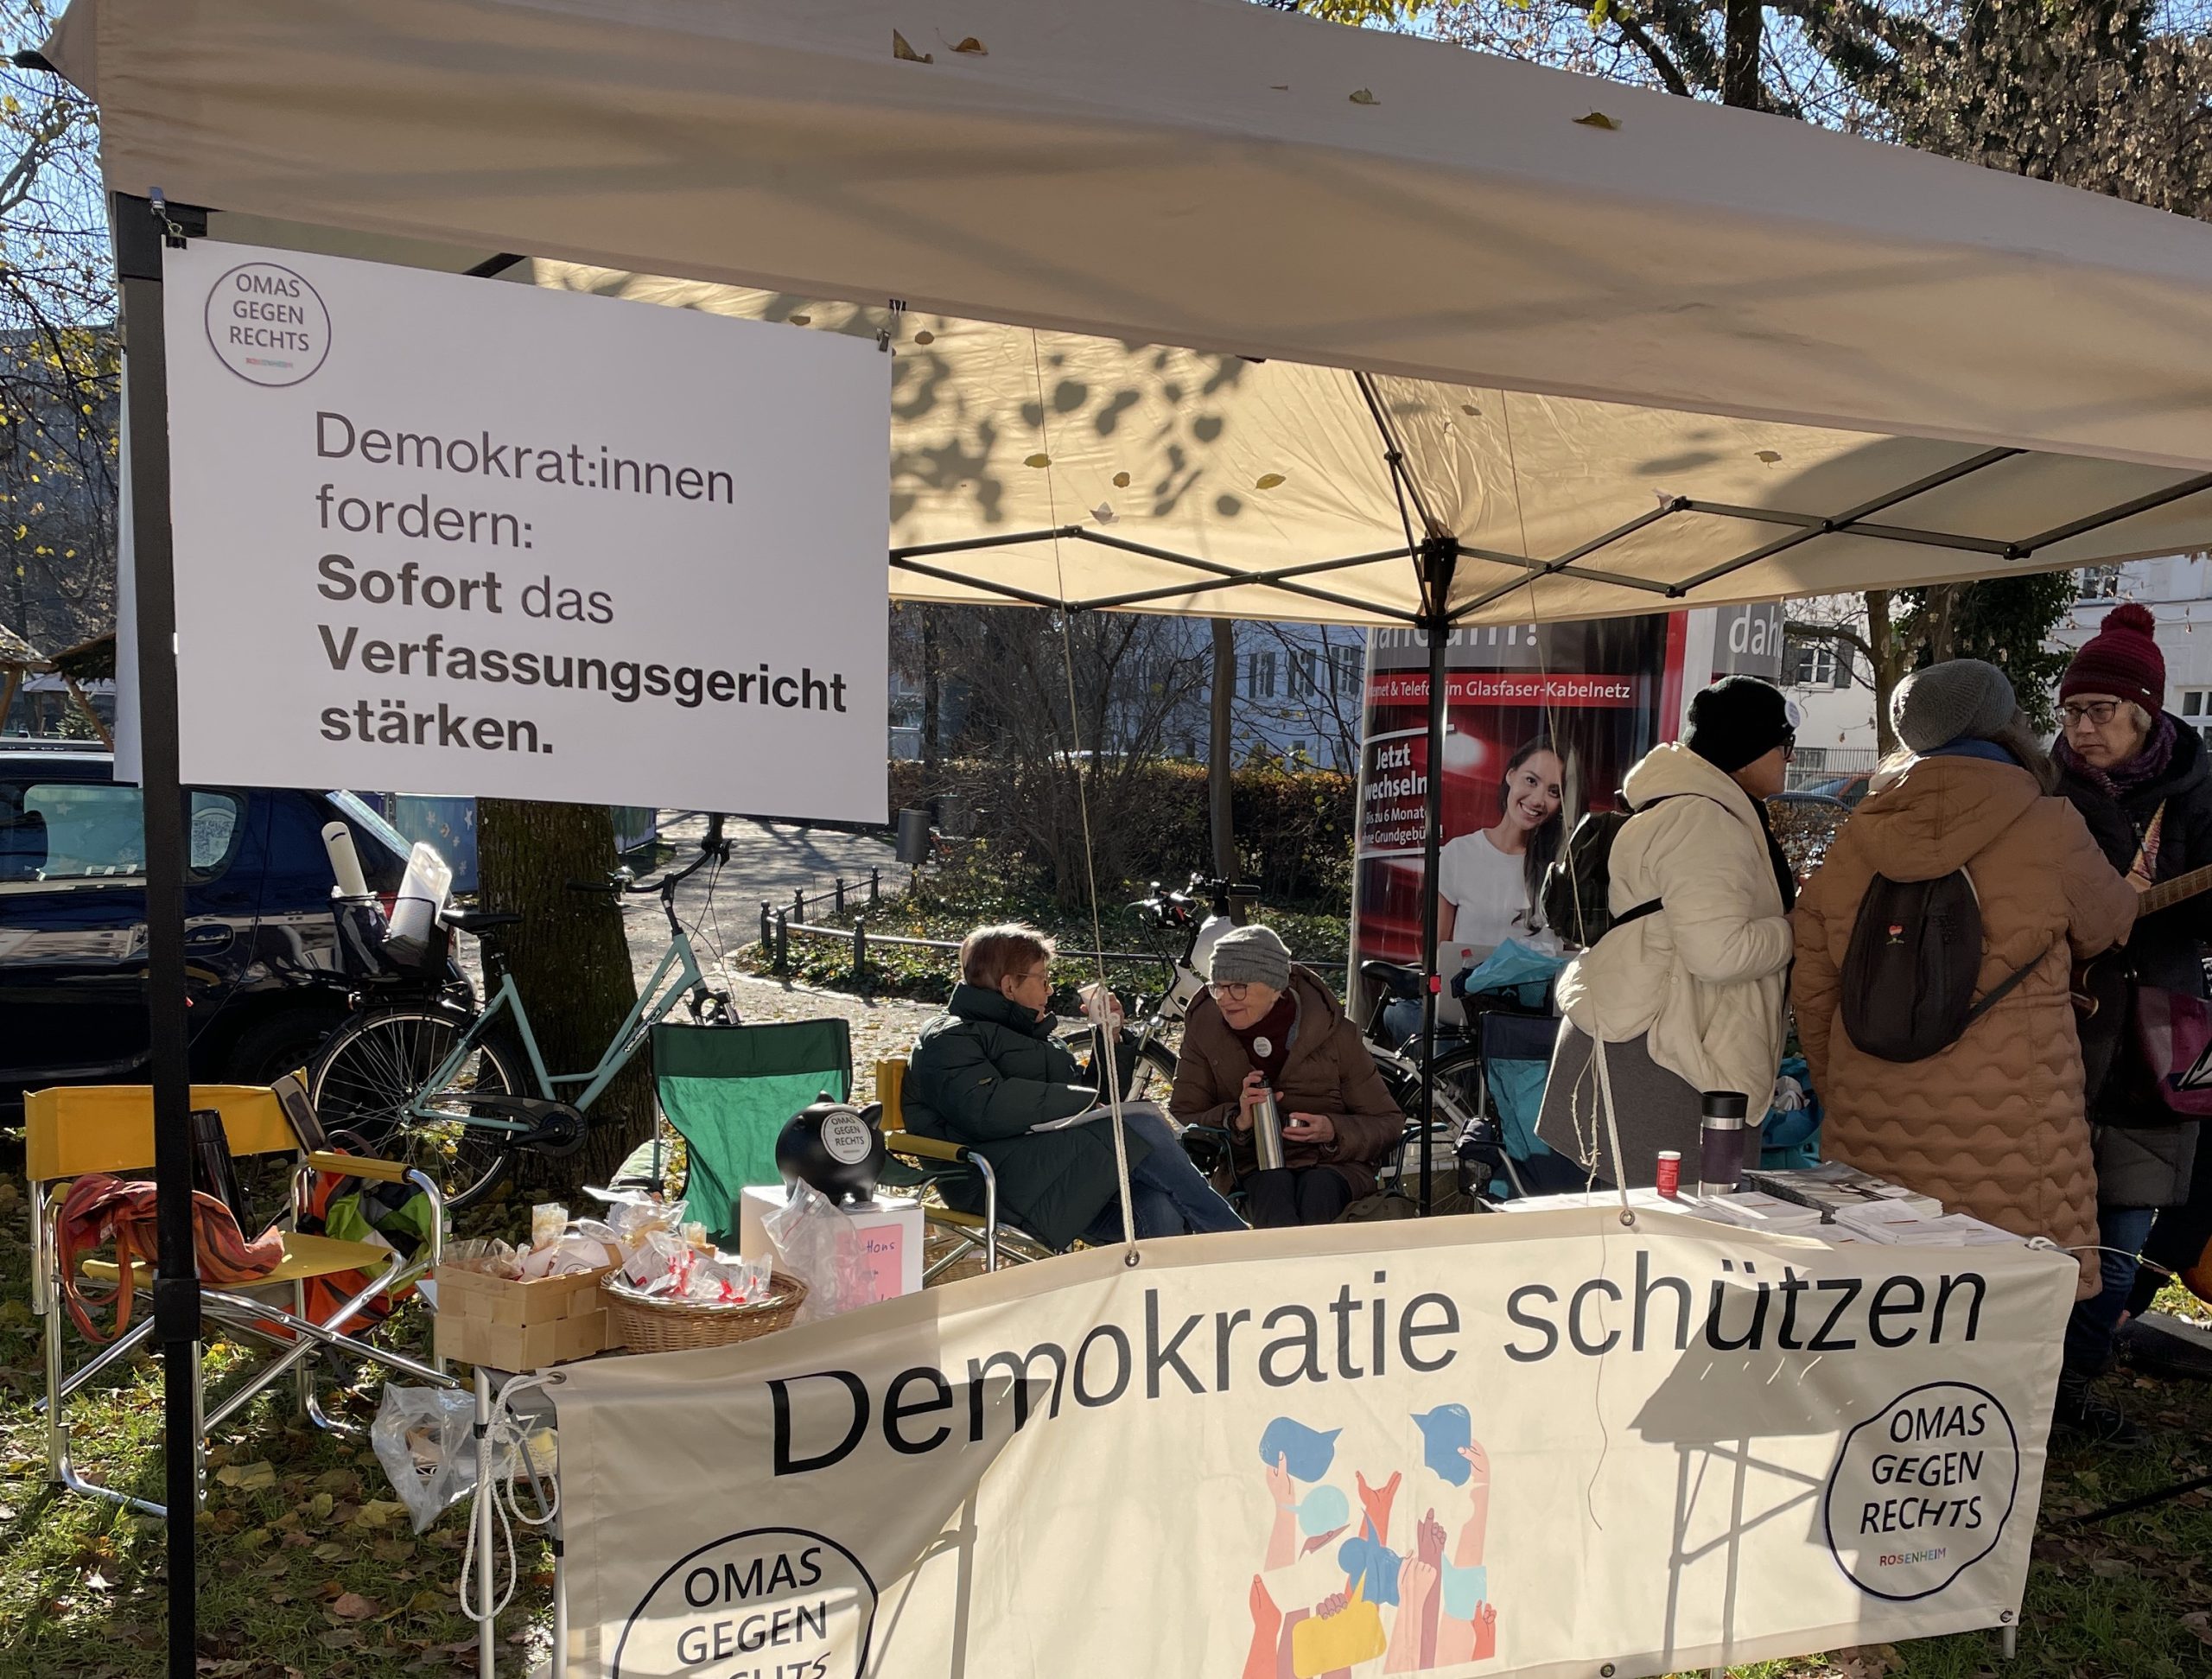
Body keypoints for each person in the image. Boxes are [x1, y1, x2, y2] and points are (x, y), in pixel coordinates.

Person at [1792, 661, 2138, 1434]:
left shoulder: (1855, 833)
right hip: (2017, 1125)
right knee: (2005, 1303)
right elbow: (2111, 922)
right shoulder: (2048, 823)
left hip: (1874, 1115)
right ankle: (1983, 1457)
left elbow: (1811, 985)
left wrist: (1840, 1081)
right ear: (2001, 722)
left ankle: (1884, 1442)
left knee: (1892, 1301)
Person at [1535, 677, 1796, 1187]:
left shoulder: (1693, 806)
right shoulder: (1704, 819)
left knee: (1631, 1237)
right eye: (1782, 742)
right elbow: (1718, 954)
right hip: (1662, 1059)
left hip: (1651, 1041)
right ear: (1746, 746)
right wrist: (1793, 929)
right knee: (1664, 1240)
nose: (1788, 755)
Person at [2051, 604, 2212, 1431]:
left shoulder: (2197, 789)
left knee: (2116, 1256)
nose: (2080, 729)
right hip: (2056, 1037)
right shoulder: (2043, 791)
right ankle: (2026, 1386)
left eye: (2099, 711)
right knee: (2040, 1243)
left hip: (2155, 1044)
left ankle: (2073, 1384)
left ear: (2145, 711)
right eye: (2071, 711)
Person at [901, 923, 1243, 1250]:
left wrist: (1108, 1042)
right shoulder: (949, 1036)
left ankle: (1159, 1302)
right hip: (990, 1184)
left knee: (1156, 1208)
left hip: (1053, 1181)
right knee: (1139, 1127)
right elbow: (985, 1108)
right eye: (1043, 979)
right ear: (1009, 987)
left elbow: (1094, 1109)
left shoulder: (1041, 1040)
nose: (1050, 990)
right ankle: (1235, 1241)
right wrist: (1080, 1102)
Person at [1171, 925, 1405, 1226]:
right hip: (1250, 1166)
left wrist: (1333, 1130)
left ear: (1275, 987)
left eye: (1239, 987)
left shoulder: (1334, 1033)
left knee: (1318, 1191)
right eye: (1218, 987)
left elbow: (1387, 1122)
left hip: (1334, 1163)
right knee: (1272, 1189)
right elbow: (1186, 1113)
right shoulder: (1205, 1026)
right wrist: (1237, 1120)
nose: (1226, 999)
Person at [1436, 737, 1565, 956]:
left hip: (1543, 990)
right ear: (1511, 775)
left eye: (1553, 791)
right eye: (1531, 781)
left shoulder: (1562, 868)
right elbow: (1436, 952)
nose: (1537, 800)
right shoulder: (1459, 853)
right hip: (1469, 988)